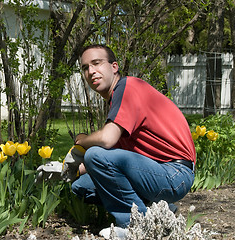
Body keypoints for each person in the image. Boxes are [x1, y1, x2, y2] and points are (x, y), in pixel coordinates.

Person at [71, 44, 196, 238]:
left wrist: (82, 140)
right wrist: (65, 171)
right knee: (82, 186)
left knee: (95, 153)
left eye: (96, 63)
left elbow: (106, 140)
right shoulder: (118, 102)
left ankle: (133, 226)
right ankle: (159, 211)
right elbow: (106, 162)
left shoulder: (129, 87)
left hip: (174, 174)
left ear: (114, 67)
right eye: (85, 67)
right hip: (153, 172)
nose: (91, 71)